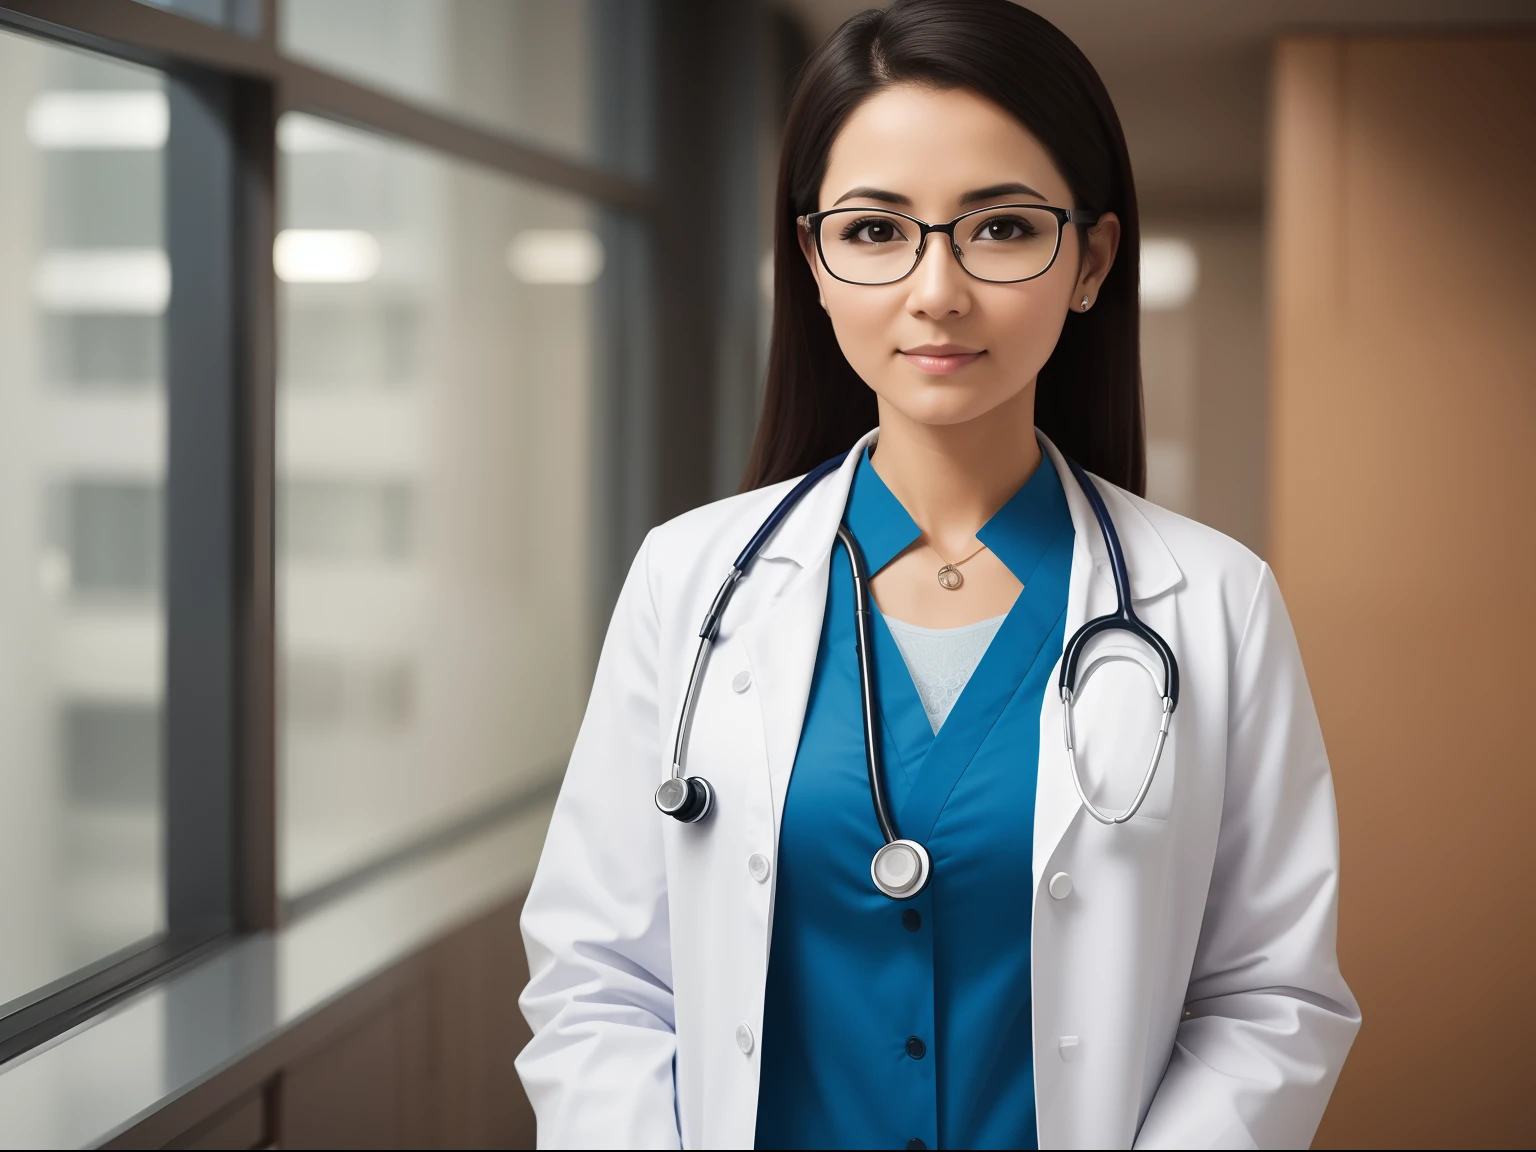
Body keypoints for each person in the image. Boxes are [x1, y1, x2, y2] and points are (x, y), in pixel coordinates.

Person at [515, 1, 1359, 1147]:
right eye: (875, 232)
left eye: (1002, 229)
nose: (936, 291)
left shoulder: (1215, 603)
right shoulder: (690, 579)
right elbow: (597, 979)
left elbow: (1270, 996)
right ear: (811, 259)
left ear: (1091, 262)